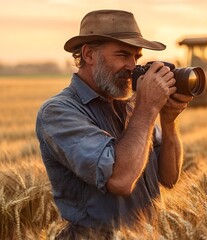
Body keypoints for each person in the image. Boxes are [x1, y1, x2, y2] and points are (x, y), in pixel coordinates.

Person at [36, 9, 193, 235]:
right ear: (89, 55)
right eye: (122, 55)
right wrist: (147, 108)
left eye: (136, 57)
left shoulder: (130, 106)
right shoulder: (59, 112)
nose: (132, 66)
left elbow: (169, 178)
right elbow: (120, 181)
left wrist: (168, 122)